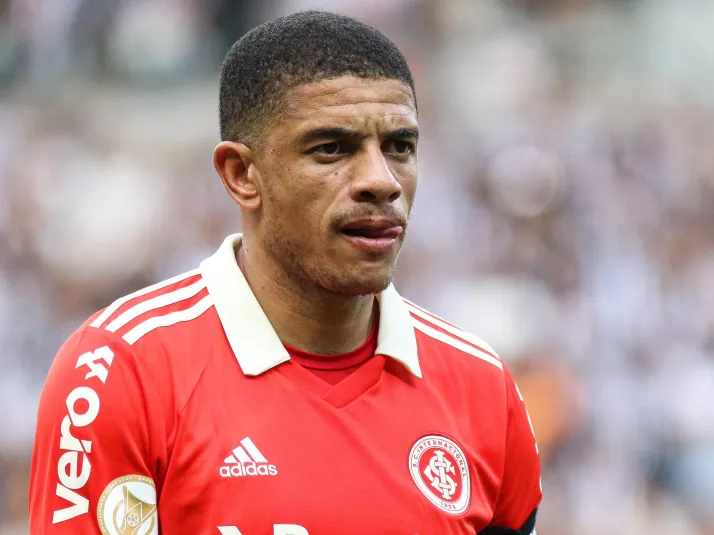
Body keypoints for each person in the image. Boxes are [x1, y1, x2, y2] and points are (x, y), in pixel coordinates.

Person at [29, 11, 541, 535]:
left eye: (400, 147)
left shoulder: (482, 384)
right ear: (241, 175)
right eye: (331, 148)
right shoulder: (121, 370)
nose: (381, 180)